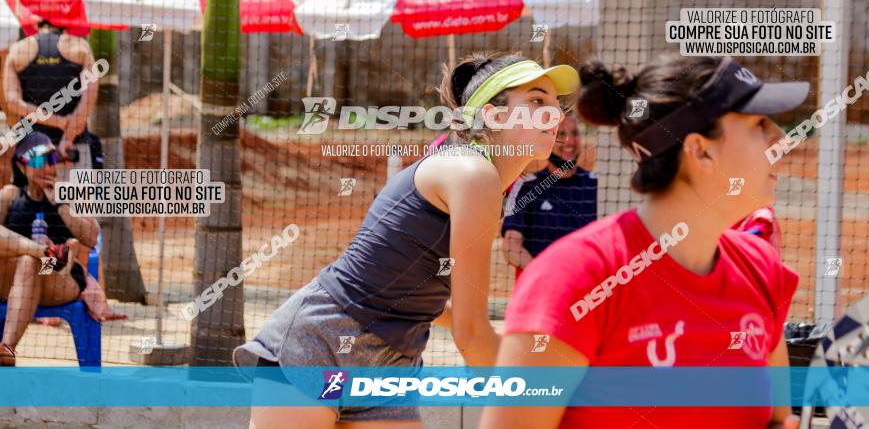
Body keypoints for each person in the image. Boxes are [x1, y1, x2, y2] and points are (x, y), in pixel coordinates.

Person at [234, 52, 580, 429]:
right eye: (536, 101)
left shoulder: (487, 185)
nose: (556, 115)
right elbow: (472, 334)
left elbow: (421, 291)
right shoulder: (471, 174)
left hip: (392, 360)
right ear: (494, 116)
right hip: (322, 341)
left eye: (556, 104)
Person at [481, 55, 807, 429]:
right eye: (759, 123)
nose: (781, 138)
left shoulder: (760, 268)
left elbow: (778, 420)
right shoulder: (577, 277)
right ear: (700, 150)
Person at [0, 132, 100, 366]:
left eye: (51, 159)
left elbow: (92, 238)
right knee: (28, 260)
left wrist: (60, 204)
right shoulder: (10, 195)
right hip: (15, 279)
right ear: (23, 168)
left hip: (58, 276)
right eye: (37, 161)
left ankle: (7, 347)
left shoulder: (69, 193)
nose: (46, 167)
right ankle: (38, 251)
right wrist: (38, 250)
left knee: (30, 262)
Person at [3, 19, 104, 187]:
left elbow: (13, 102)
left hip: (33, 149)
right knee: (77, 210)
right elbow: (88, 102)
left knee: (34, 209)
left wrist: (57, 121)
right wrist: (67, 137)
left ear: (36, 21)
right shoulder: (80, 47)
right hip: (73, 147)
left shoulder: (18, 50)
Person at [501, 113, 597, 280]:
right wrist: (545, 275)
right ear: (549, 141)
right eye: (561, 134)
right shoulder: (527, 186)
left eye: (574, 133)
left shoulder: (597, 185)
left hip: (589, 290)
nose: (570, 141)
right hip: (543, 292)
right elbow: (511, 247)